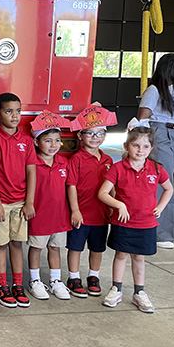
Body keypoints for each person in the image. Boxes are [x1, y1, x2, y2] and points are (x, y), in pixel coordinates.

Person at [98, 118, 173, 313]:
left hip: (146, 223)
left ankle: (139, 292)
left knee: (139, 258)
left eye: (145, 146)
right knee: (121, 254)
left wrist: (160, 207)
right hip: (123, 223)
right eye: (136, 145)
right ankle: (117, 288)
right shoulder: (118, 168)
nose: (140, 150)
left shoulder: (156, 169)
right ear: (126, 146)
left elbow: (168, 189)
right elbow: (102, 193)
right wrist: (119, 204)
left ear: (151, 148)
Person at [0, 93, 36, 308]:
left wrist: (29, 202)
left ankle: (17, 284)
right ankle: (2, 285)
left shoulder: (26, 141)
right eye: (8, 111)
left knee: (17, 243)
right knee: (1, 244)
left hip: (21, 203)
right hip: (1, 203)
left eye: (17, 111)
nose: (15, 116)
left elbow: (32, 172)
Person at [66, 104, 117, 299]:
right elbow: (71, 185)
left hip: (101, 214)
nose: (95, 137)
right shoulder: (76, 159)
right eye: (90, 133)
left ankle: (93, 276)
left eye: (100, 133)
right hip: (82, 213)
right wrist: (75, 210)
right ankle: (73, 277)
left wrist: (113, 205)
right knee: (75, 247)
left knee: (97, 248)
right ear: (80, 136)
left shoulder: (108, 160)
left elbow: (111, 186)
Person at [138, 53, 174, 249]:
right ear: (172, 68)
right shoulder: (155, 90)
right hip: (160, 133)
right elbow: (142, 119)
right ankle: (158, 232)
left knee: (166, 183)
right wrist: (148, 143)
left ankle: (162, 232)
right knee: (162, 184)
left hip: (173, 135)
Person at [27, 111, 72, 301]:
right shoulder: (32, 164)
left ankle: (55, 281)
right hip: (39, 215)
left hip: (60, 216)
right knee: (36, 248)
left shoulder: (64, 163)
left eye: (57, 140)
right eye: (48, 141)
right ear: (37, 142)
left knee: (55, 248)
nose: (53, 145)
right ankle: (35, 280)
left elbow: (71, 188)